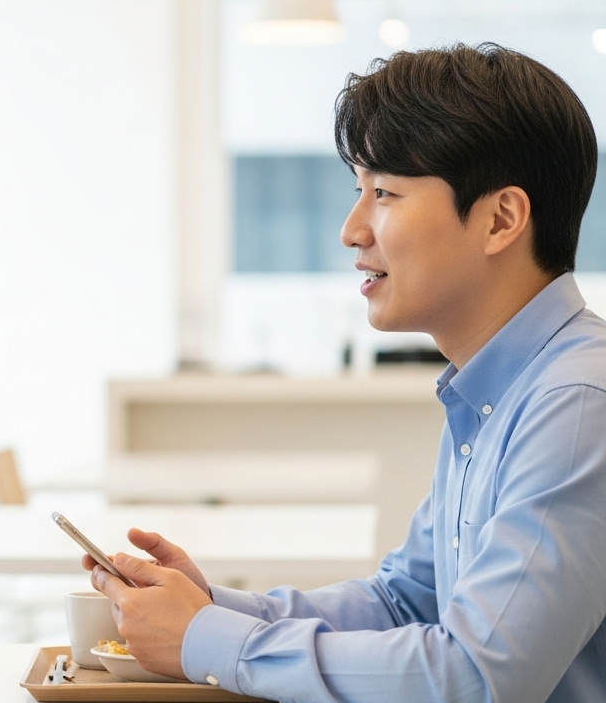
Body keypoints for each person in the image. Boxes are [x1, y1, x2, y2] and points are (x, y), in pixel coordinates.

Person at [85, 43, 606, 701]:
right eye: (358, 191)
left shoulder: (578, 402)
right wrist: (209, 609)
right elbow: (404, 601)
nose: (352, 230)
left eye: (384, 192)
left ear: (500, 219)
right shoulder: (497, 392)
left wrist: (208, 639)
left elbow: (473, 678)